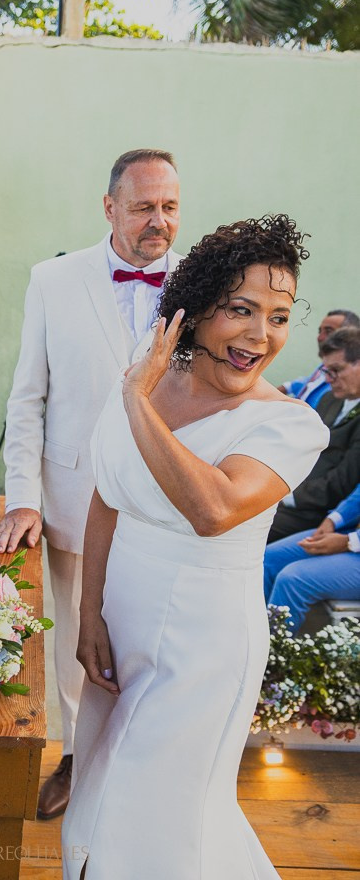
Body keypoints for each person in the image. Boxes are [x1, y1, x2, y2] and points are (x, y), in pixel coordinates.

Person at [61, 215, 329, 880]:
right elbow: (106, 496)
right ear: (195, 309)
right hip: (118, 630)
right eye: (240, 310)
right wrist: (88, 614)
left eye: (276, 315)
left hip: (201, 650)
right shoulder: (148, 382)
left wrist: (135, 401)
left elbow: (210, 508)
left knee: (153, 819)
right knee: (94, 802)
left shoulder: (288, 425)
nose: (258, 336)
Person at [0, 148, 183, 819]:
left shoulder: (204, 284)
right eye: (143, 207)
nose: (158, 221)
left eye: (169, 207)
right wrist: (22, 498)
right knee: (75, 642)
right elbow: (26, 399)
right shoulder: (52, 280)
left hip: (165, 505)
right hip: (74, 499)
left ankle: (138, 770)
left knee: (152, 639)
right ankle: (74, 760)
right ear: (109, 208)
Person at [269, 326, 360, 542]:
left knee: (241, 532)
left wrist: (287, 496)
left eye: (335, 370)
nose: (328, 380)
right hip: (287, 494)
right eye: (326, 371)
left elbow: (342, 482)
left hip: (313, 512)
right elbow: (300, 447)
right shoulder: (330, 399)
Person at [264, 483, 360, 632]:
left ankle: (275, 650)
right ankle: (250, 638)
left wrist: (348, 541)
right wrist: (332, 521)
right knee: (268, 560)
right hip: (350, 533)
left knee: (293, 579)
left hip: (353, 543)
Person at [278, 308, 359, 407]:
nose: (319, 337)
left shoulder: (342, 386)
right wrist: (285, 388)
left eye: (328, 331)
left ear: (349, 335)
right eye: (320, 331)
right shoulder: (324, 368)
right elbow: (306, 382)